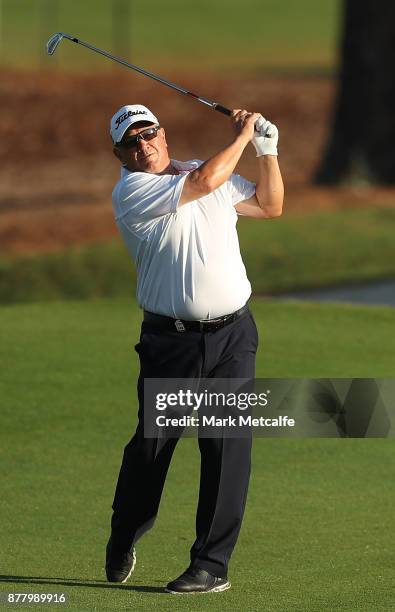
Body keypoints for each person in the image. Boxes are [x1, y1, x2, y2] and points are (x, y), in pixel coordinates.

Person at [105, 103, 284, 594]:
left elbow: (270, 206)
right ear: (120, 154)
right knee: (152, 448)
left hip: (233, 338)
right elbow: (205, 182)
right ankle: (125, 531)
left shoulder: (202, 170)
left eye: (149, 134)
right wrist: (245, 134)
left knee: (227, 449)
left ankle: (211, 565)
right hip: (171, 343)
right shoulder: (134, 190)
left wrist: (267, 152)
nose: (143, 146)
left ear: (164, 134)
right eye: (132, 142)